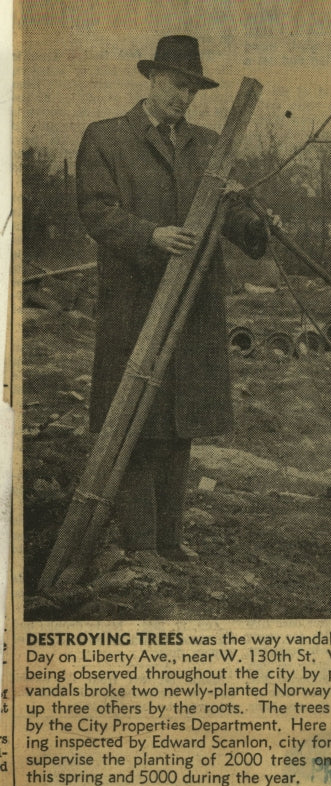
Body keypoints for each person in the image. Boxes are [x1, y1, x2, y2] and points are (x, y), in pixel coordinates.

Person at [76, 35, 268, 568]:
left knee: (180, 423)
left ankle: (169, 541)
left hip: (194, 307)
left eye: (191, 88)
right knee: (136, 416)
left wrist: (256, 223)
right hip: (135, 302)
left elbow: (230, 215)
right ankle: (140, 544)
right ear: (152, 79)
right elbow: (95, 212)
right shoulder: (106, 139)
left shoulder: (210, 146)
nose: (182, 96)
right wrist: (149, 235)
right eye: (174, 83)